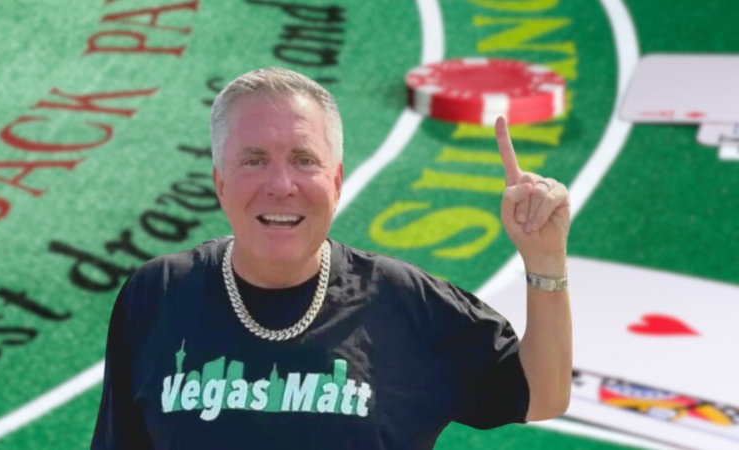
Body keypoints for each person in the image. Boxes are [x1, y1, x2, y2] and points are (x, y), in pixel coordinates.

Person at [91, 67, 572, 450]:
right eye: (254, 160)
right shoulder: (157, 295)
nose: (281, 185)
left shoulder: (404, 302)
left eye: (304, 159)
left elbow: (543, 394)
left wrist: (545, 261)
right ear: (220, 182)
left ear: (337, 181)